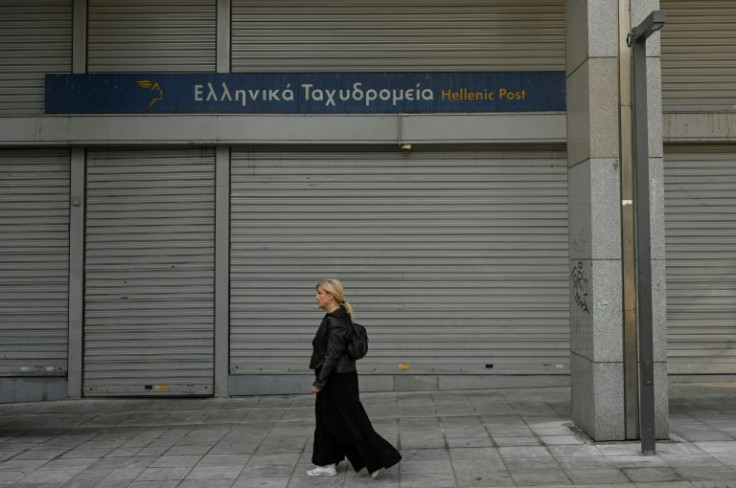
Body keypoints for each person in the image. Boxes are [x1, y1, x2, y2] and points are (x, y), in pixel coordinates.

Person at [307, 278, 402, 478]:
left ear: (330, 295)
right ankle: (327, 463)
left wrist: (320, 382)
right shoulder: (336, 317)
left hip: (335, 378)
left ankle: (375, 459)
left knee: (342, 422)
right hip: (340, 376)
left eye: (320, 293)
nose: (317, 297)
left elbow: (332, 355)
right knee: (328, 421)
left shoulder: (336, 321)